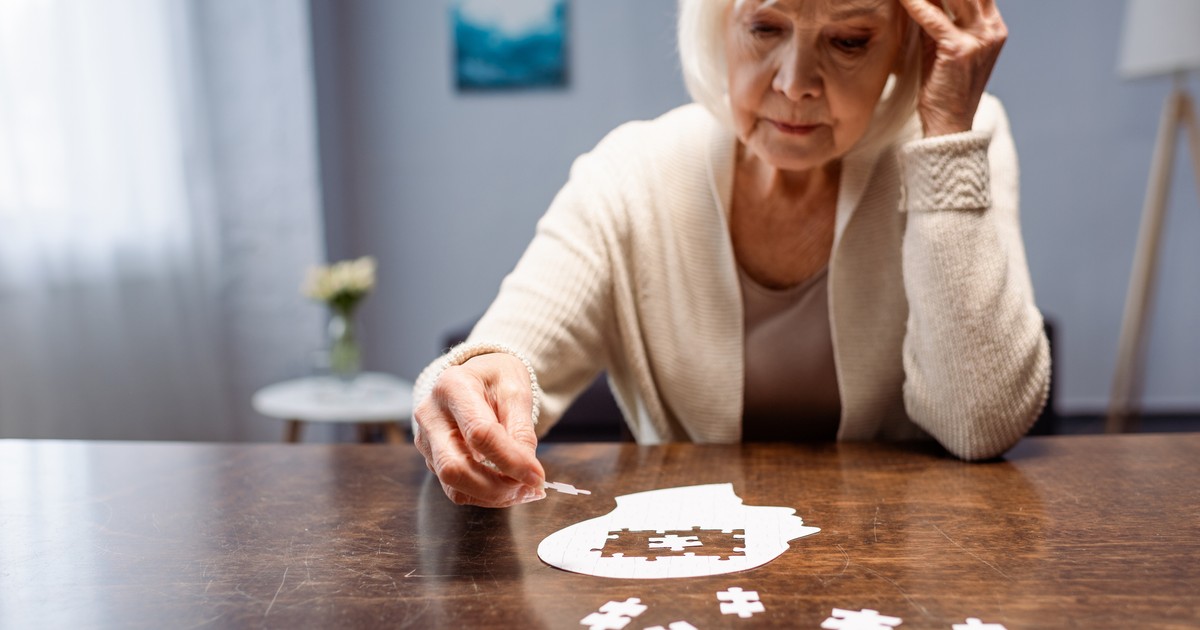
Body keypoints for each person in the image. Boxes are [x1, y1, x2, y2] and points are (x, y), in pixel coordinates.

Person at [413, 0, 1049, 508]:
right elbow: (503, 351)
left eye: (849, 40)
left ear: (907, 44)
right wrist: (471, 383)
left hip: (902, 560)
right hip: (688, 566)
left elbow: (979, 426)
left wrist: (946, 141)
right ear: (719, 22)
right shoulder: (631, 171)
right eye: (765, 28)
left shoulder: (957, 133)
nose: (795, 84)